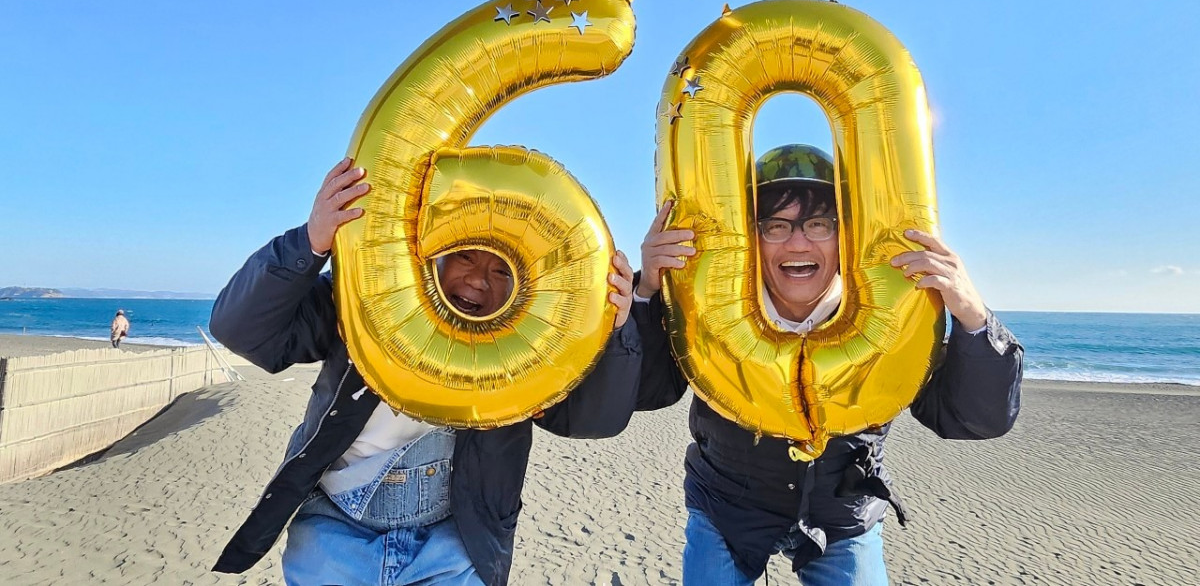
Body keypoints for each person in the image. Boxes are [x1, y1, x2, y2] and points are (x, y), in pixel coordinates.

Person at [209, 158, 642, 586]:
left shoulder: (532, 355)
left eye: (501, 271)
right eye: (466, 258)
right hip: (334, 535)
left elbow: (593, 420)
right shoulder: (363, 300)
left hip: (455, 547)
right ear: (435, 253)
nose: (478, 280)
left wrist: (615, 330)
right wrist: (309, 242)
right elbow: (243, 331)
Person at [633, 144, 1024, 585]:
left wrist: (972, 316)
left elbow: (974, 419)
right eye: (775, 226)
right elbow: (648, 392)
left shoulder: (895, 317)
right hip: (727, 507)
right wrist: (646, 293)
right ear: (750, 237)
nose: (798, 241)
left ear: (847, 236)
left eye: (819, 224)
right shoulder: (705, 307)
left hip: (843, 514)